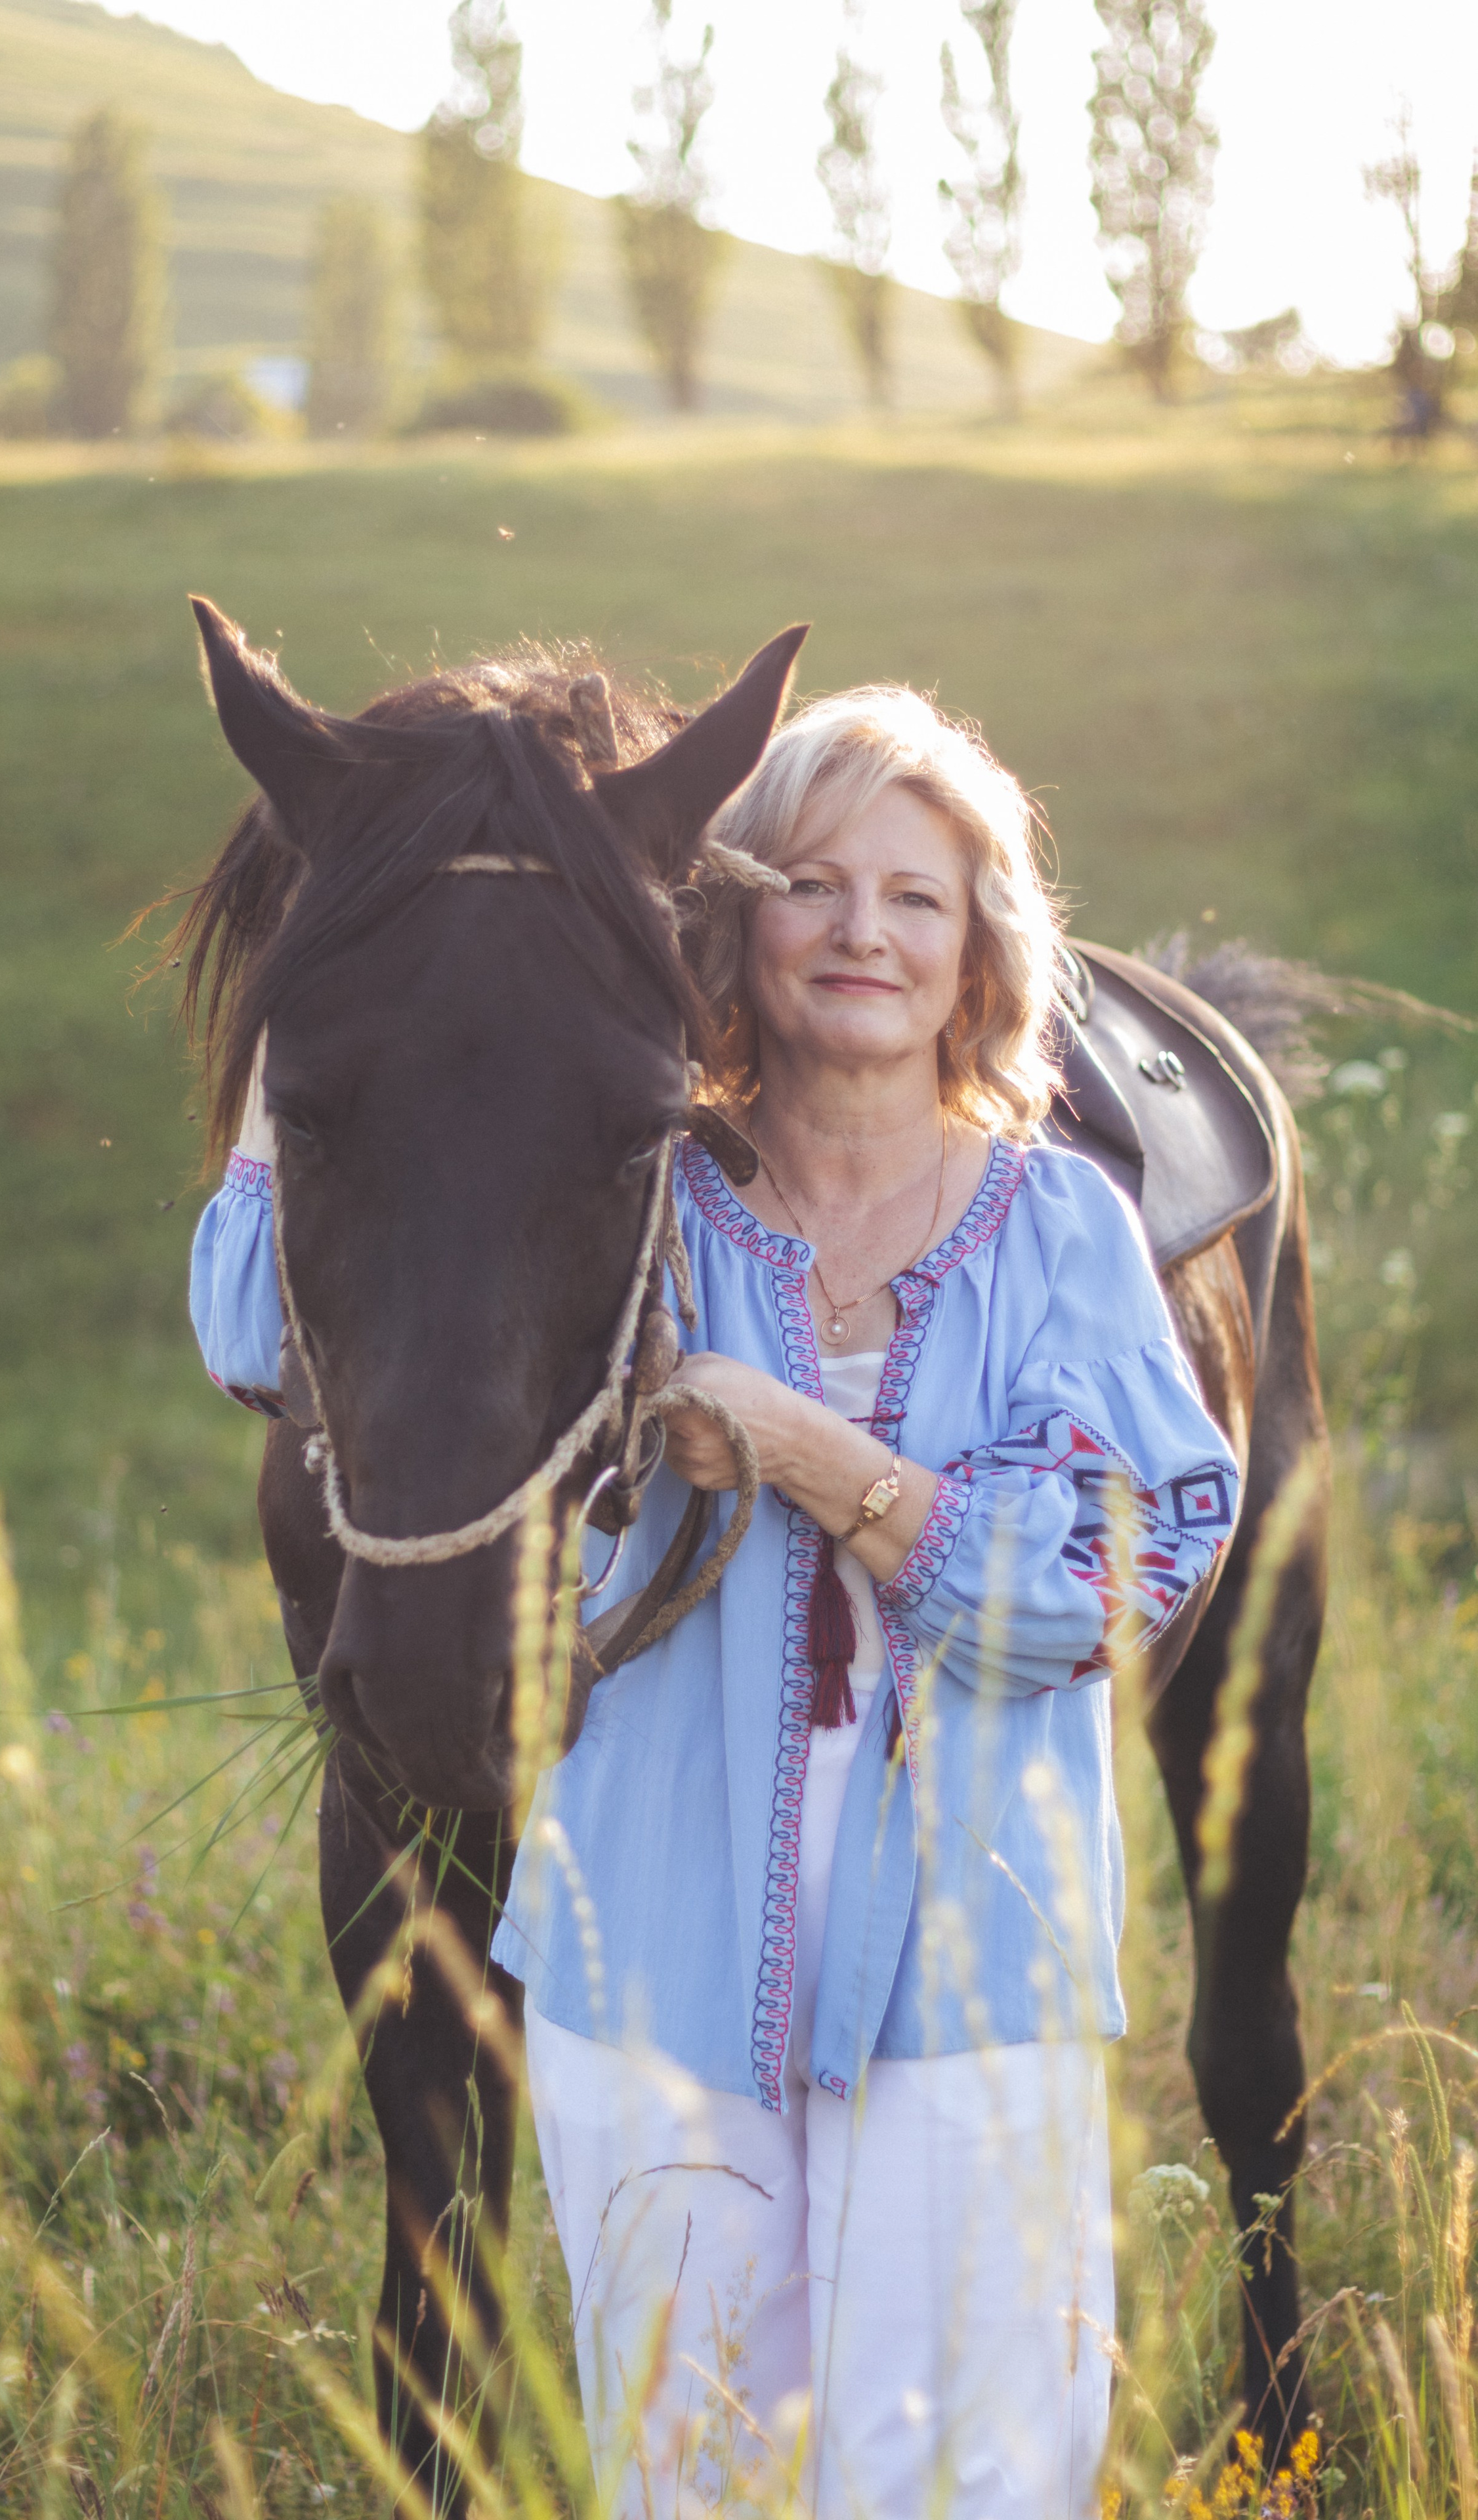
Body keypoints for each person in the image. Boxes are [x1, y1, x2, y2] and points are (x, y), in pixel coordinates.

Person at [189, 684, 1240, 2520]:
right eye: (814, 885)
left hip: (967, 1970)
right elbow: (254, 1320)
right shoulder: (644, 1201)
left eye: (916, 897)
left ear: (982, 948)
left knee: (972, 2475)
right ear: (727, 925)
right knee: (694, 2478)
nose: (862, 933)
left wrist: (819, 1461)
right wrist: (309, 1014)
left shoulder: (1061, 1233)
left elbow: (1122, 1569)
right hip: (657, 1967)